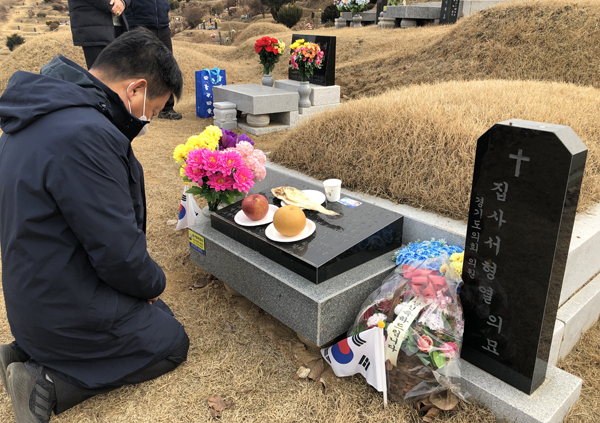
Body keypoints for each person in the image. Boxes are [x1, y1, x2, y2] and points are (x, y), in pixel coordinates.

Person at [0, 28, 188, 423]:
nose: (147, 121)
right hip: (62, 310)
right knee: (172, 340)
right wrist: (153, 283)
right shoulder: (87, 134)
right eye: (153, 111)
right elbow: (117, 252)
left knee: (159, 314)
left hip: (32, 299)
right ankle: (45, 382)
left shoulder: (39, 113)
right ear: (136, 89)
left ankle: (25, 349)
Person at [125, 0, 182, 120]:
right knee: (141, 68)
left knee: (167, 66)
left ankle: (167, 108)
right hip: (139, 22)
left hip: (162, 23)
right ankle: (138, 109)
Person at [67, 0, 129, 69]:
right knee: (101, 74)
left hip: (120, 25)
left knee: (121, 73)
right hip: (93, 25)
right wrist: (111, 4)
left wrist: (123, 2)